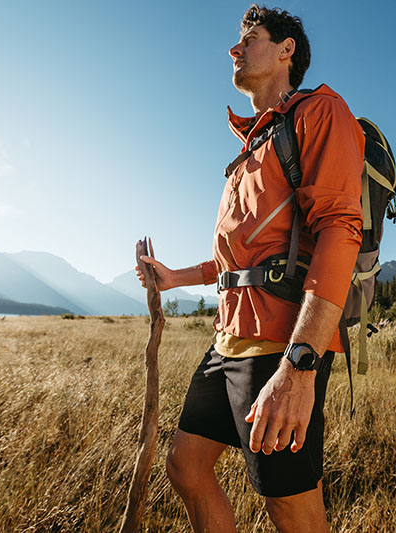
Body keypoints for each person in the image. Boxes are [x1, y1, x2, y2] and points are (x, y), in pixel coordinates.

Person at [136, 5, 364, 532]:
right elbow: (233, 263)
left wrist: (299, 367)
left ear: (286, 51)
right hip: (227, 342)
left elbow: (339, 231)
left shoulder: (321, 113)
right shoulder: (248, 149)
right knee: (186, 468)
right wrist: (173, 279)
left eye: (250, 39)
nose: (235, 49)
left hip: (282, 345)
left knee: (289, 503)